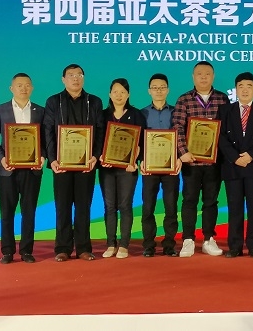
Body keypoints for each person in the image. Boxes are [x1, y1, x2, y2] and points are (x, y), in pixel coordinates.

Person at [44, 64, 105, 262]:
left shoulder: (94, 101)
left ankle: (83, 248)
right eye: (71, 75)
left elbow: (100, 130)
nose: (75, 78)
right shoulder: (54, 101)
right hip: (61, 164)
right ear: (63, 79)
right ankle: (62, 248)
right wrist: (52, 159)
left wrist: (95, 155)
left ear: (83, 78)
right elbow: (48, 131)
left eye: (79, 74)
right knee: (62, 206)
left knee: (83, 206)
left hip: (86, 163)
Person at [172, 61, 230, 257]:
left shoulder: (222, 99)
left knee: (211, 201)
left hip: (215, 161)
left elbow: (227, 128)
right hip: (191, 161)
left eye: (207, 74)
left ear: (213, 76)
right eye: (199, 74)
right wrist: (183, 152)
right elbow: (177, 127)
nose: (203, 77)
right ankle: (188, 239)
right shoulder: (184, 100)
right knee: (189, 200)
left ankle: (208, 239)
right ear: (193, 77)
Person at [0, 73, 45, 264]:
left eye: (27, 85)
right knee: (7, 211)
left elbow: (46, 138)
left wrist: (42, 156)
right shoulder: (0, 110)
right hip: (7, 169)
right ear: (11, 88)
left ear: (32, 88)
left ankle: (26, 251)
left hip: (31, 170)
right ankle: (7, 251)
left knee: (29, 211)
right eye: (19, 85)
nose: (23, 88)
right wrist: (2, 158)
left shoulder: (40, 111)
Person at [218, 72, 253, 258]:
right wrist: (235, 157)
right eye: (240, 86)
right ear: (236, 89)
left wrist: (251, 155)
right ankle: (234, 246)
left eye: (249, 86)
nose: (244, 90)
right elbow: (221, 137)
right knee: (234, 208)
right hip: (232, 165)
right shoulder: (225, 110)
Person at [99, 78, 146, 259]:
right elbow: (97, 139)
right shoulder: (103, 115)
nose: (119, 95)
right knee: (109, 206)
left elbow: (142, 141)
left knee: (125, 205)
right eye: (115, 92)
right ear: (110, 94)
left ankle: (124, 245)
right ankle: (111, 244)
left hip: (128, 168)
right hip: (107, 168)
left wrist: (135, 161)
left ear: (128, 95)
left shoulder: (136, 115)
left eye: (123, 92)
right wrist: (101, 156)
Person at [140, 73, 181, 258]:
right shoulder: (142, 113)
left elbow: (182, 137)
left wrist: (179, 158)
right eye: (155, 88)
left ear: (168, 90)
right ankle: (149, 245)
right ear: (149, 91)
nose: (158, 91)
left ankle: (169, 244)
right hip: (149, 168)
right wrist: (140, 160)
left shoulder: (176, 112)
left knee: (171, 207)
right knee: (148, 207)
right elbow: (138, 140)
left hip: (171, 167)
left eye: (162, 87)